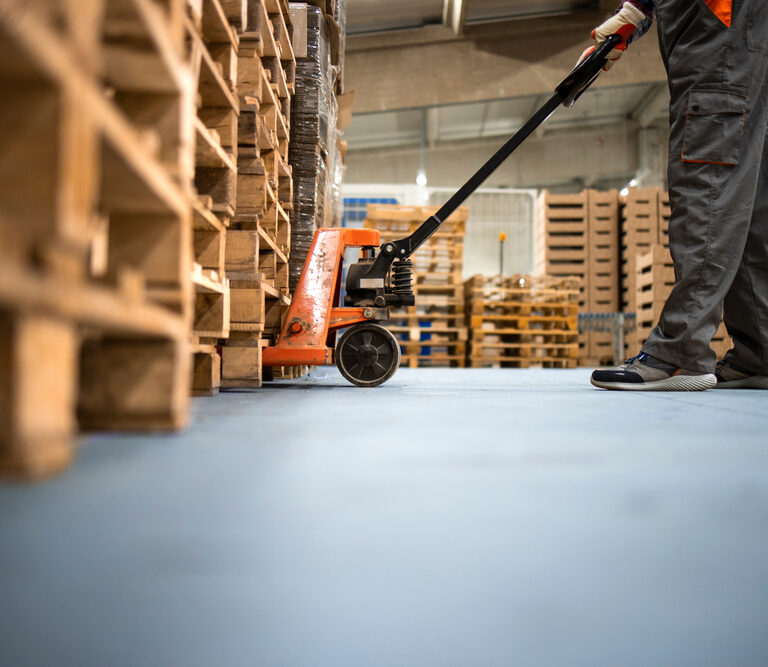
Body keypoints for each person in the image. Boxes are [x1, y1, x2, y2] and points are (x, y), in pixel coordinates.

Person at [585, 0, 768, 391]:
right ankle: (760, 352)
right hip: (734, 29)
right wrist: (636, 11)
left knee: (709, 183)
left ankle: (681, 352)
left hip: (719, 21)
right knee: (746, 193)